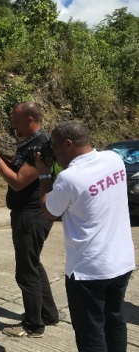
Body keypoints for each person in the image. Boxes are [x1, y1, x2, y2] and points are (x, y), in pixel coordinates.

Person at [35, 121, 135, 352]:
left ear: (69, 144)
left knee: (91, 331)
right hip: (121, 262)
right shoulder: (114, 159)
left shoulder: (70, 178)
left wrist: (44, 176)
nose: (54, 152)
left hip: (89, 270)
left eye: (56, 147)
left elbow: (49, 211)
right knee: (115, 321)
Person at [0, 102, 59, 338]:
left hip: (31, 215)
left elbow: (17, 181)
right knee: (33, 264)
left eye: (17, 121)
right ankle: (49, 313)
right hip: (28, 213)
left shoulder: (41, 146)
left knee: (26, 272)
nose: (13, 126)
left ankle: (33, 325)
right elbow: (16, 166)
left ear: (31, 119)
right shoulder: (30, 143)